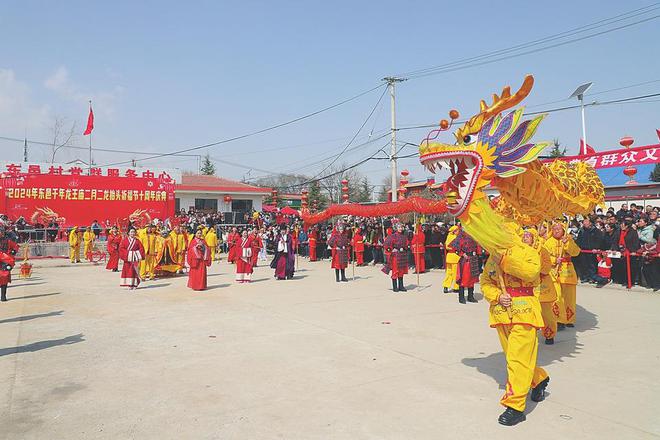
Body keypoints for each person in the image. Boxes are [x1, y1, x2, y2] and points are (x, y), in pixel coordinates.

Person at [480, 231, 550, 426]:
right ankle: (539, 378)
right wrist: (496, 296)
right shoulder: (492, 256)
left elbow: (530, 272)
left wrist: (506, 260)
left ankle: (515, 406)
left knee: (517, 359)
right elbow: (485, 281)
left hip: (525, 312)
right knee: (515, 357)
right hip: (501, 313)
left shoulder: (528, 252)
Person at [523, 228, 558, 345]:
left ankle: (549, 334)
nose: (525, 237)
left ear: (534, 238)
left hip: (542, 285)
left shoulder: (542, 251)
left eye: (528, 236)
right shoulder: (520, 250)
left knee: (546, 313)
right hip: (526, 285)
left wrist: (536, 267)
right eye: (524, 235)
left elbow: (548, 267)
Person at [544, 222, 580, 329]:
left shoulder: (568, 240)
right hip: (553, 271)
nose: (556, 230)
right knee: (557, 297)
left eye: (559, 228)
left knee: (570, 297)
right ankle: (559, 320)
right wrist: (554, 260)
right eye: (554, 228)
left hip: (567, 271)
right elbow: (544, 256)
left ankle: (569, 319)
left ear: (564, 230)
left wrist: (568, 244)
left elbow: (576, 252)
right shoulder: (548, 242)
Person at [450, 227, 480, 304]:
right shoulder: (461, 236)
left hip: (473, 259)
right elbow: (454, 248)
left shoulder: (474, 234)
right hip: (465, 261)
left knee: (472, 279)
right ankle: (461, 297)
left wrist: (477, 253)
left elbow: (478, 246)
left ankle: (470, 296)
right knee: (463, 279)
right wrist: (462, 254)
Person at [383, 223, 409, 292]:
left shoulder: (404, 236)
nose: (400, 228)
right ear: (396, 228)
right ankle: (395, 287)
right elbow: (387, 244)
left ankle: (401, 286)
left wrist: (405, 248)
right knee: (395, 271)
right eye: (399, 227)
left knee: (401, 271)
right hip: (395, 256)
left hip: (402, 255)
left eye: (401, 227)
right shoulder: (393, 236)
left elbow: (407, 244)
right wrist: (391, 250)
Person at [443, 224, 460, 293]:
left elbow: (446, 246)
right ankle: (456, 287)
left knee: (448, 273)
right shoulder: (456, 238)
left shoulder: (448, 237)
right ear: (454, 231)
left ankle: (446, 286)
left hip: (449, 256)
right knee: (455, 273)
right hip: (455, 257)